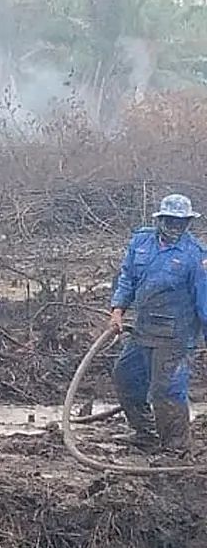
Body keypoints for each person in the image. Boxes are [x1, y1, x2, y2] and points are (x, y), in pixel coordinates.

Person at [108, 193, 207, 455]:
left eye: (181, 222)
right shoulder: (140, 242)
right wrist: (118, 311)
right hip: (143, 329)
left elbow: (205, 303)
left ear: (188, 223)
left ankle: (176, 449)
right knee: (125, 377)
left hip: (176, 335)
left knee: (167, 390)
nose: (175, 227)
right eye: (170, 221)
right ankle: (146, 434)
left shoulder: (195, 256)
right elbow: (127, 278)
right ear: (160, 219)